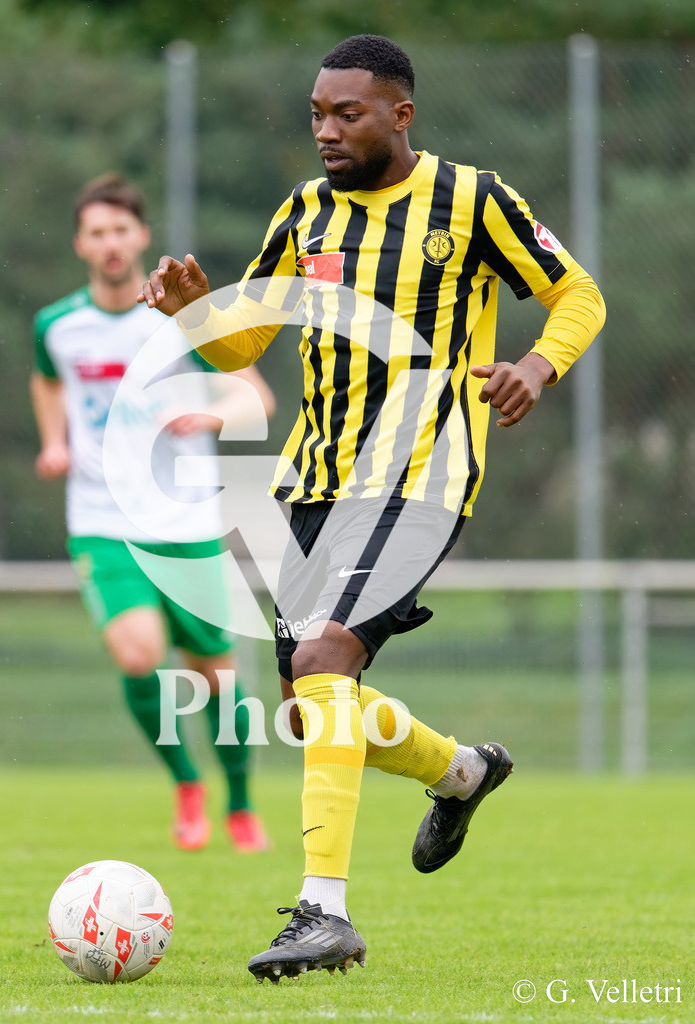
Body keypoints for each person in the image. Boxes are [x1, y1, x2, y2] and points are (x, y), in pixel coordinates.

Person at [139, 35, 606, 982]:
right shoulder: (302, 214)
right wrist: (195, 317)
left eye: (346, 112)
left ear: (400, 113)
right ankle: (461, 772)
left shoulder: (472, 199)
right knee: (319, 713)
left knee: (323, 660)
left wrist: (533, 365)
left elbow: (578, 294)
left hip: (421, 476)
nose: (325, 130)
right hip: (308, 483)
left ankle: (323, 914)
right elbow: (247, 347)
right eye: (315, 113)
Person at [31, 173, 275, 853]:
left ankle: (242, 805)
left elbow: (254, 395)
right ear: (81, 243)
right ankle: (186, 783)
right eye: (96, 232)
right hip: (101, 521)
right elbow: (48, 381)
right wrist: (54, 442)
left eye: (121, 230)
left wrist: (209, 412)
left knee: (215, 677)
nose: (110, 243)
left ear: (140, 237)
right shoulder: (56, 325)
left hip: (186, 521)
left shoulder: (177, 319)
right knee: (138, 656)